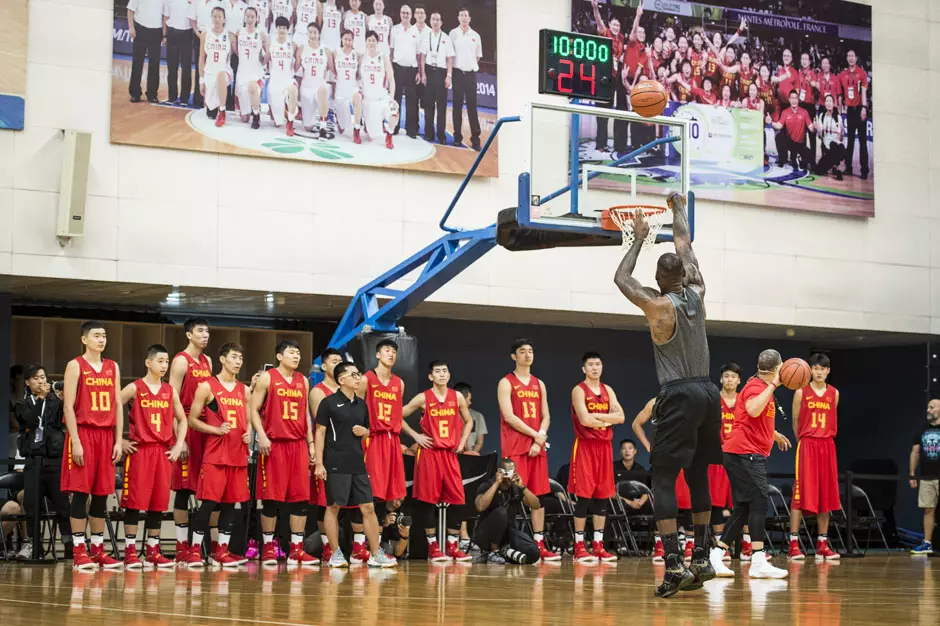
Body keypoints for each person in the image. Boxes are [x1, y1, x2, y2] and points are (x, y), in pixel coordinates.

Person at [613, 193, 717, 598]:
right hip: (709, 392)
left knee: (663, 478)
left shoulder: (658, 306)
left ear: (659, 279)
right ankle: (703, 556)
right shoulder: (698, 289)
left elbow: (623, 281)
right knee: (699, 473)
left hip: (679, 393)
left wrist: (637, 239)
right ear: (684, 276)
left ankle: (674, 563)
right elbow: (685, 247)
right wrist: (678, 212)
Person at [711, 349, 790, 580]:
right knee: (759, 501)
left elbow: (744, 416)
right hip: (745, 454)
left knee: (744, 507)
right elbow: (753, 409)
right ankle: (758, 559)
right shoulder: (758, 387)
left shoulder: (754, 385)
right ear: (778, 368)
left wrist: (772, 433)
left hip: (741, 452)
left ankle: (716, 556)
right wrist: (774, 384)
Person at [315, 362, 397, 568]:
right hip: (335, 462)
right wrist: (319, 463)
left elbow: (368, 430)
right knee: (334, 507)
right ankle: (335, 554)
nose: (358, 377)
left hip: (357, 464)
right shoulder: (328, 403)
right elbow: (320, 432)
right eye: (353, 374)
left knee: (368, 507)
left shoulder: (361, 404)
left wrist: (365, 432)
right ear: (341, 379)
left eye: (358, 373)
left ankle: (376, 553)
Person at [118, 345, 188, 570]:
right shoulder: (135, 387)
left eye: (167, 361)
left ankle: (152, 551)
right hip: (140, 450)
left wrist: (178, 445)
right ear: (148, 363)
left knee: (158, 503)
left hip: (163, 452)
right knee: (135, 502)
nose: (164, 365)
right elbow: (112, 408)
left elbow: (183, 419)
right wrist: (119, 440)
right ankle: (130, 552)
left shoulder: (170, 390)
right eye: (160, 361)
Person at [249, 340, 318, 568]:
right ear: (279, 356)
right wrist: (262, 436)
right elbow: (253, 409)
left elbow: (306, 415)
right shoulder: (268, 377)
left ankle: (296, 549)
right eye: (291, 353)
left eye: (298, 353)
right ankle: (268, 547)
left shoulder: (303, 381)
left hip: (298, 444)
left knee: (300, 499)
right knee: (270, 498)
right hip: (275, 443)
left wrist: (310, 444)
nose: (296, 356)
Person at [61, 321, 124, 571]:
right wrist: (75, 441)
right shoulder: (75, 365)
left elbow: (119, 405)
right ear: (84, 339)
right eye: (96, 335)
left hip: (106, 435)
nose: (101, 339)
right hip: (83, 434)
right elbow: (68, 406)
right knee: (80, 493)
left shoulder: (113, 367)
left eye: (104, 336)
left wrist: (119, 440)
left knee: (101, 494)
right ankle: (79, 551)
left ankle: (98, 550)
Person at [187, 342, 252, 568]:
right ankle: (194, 550)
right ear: (222, 359)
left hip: (238, 455)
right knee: (208, 504)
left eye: (240, 358)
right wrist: (216, 430)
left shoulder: (245, 390)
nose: (238, 362)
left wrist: (249, 434)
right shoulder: (207, 386)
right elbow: (192, 420)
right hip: (215, 455)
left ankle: (221, 552)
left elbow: (249, 421)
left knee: (230, 505)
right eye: (234, 357)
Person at [401, 360, 473, 562]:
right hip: (429, 454)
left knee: (458, 500)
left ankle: (452, 546)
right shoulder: (423, 397)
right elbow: (397, 414)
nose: (442, 374)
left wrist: (463, 441)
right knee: (427, 501)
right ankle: (433, 547)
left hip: (450, 454)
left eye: (445, 371)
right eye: (437, 371)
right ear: (431, 377)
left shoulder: (457, 396)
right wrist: (415, 436)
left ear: (449, 375)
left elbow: (469, 421)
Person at [497, 338, 560, 562]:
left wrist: (539, 439)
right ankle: (505, 543)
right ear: (514, 356)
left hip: (536, 448)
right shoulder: (506, 382)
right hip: (515, 447)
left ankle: (539, 543)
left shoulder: (539, 383)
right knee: (512, 496)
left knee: (538, 497)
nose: (527, 355)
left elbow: (546, 416)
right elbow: (509, 416)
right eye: (522, 351)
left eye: (530, 351)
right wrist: (537, 435)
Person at [354, 339, 413, 562]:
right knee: (370, 493)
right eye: (387, 350)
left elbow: (397, 415)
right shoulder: (367, 379)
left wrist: (411, 437)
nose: (391, 354)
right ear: (378, 355)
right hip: (373, 438)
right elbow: (356, 408)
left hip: (392, 441)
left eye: (394, 351)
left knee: (389, 495)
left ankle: (377, 548)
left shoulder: (399, 383)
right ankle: (364, 546)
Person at [569, 352, 625, 563]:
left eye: (598, 364)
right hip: (585, 446)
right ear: (584, 368)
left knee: (602, 497)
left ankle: (598, 546)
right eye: (591, 364)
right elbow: (584, 420)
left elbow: (621, 417)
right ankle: (579, 547)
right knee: (584, 497)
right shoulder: (578, 390)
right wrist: (607, 419)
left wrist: (599, 418)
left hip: (604, 447)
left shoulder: (607, 390)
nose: (595, 367)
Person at [14, 363, 71, 558]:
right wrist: (39, 399)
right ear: (28, 382)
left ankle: (69, 547)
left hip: (54, 460)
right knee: (31, 506)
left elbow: (66, 418)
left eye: (43, 377)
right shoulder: (22, 404)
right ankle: (34, 547)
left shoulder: (55, 401)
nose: (41, 381)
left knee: (63, 505)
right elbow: (29, 421)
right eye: (37, 378)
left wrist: (62, 399)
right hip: (33, 461)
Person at [788, 353, 841, 562]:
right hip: (808, 444)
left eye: (823, 368)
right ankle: (793, 544)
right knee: (800, 493)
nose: (819, 372)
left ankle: (822, 544)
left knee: (825, 494)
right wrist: (805, 439)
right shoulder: (801, 392)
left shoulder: (834, 394)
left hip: (827, 445)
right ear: (810, 370)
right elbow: (795, 423)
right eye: (816, 368)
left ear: (828, 371)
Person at [168, 317, 212, 566]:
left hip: (204, 427)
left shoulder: (207, 361)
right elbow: (171, 402)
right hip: (185, 427)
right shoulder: (180, 361)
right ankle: (181, 545)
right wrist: (179, 439)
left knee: (207, 488)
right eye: (200, 331)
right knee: (183, 490)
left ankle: (205, 545)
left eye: (207, 331)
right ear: (188, 335)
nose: (205, 335)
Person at [308, 348, 344, 563]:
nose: (338, 364)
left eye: (341, 360)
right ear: (324, 366)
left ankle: (356, 547)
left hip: (347, 451)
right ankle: (327, 547)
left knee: (348, 502)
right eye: (334, 361)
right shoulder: (318, 391)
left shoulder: (349, 391)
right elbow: (321, 424)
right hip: (328, 450)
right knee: (325, 501)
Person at [473, 458, 542, 564]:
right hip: (485, 534)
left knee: (534, 553)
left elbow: (536, 505)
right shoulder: (488, 484)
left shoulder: (515, 488)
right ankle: (493, 552)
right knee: (501, 512)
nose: (511, 475)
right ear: (500, 472)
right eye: (508, 472)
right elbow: (480, 507)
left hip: (506, 534)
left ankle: (505, 553)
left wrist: (522, 487)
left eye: (513, 471)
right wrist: (496, 483)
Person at [711, 363, 740, 557]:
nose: (729, 379)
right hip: (716, 456)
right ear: (721, 379)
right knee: (716, 503)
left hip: (738, 456)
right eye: (726, 376)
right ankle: (720, 546)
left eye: (733, 376)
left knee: (742, 502)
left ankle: (746, 545)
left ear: (739, 380)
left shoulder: (744, 401)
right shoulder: (713, 400)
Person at [589, 0, 625, 154]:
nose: (616, 27)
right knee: (601, 112)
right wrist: (595, 8)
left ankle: (610, 143)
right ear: (610, 25)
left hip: (615, 79)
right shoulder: (605, 32)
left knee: (610, 110)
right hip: (603, 78)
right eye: (614, 25)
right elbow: (598, 21)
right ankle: (600, 144)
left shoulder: (622, 38)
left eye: (618, 25)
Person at [909, 399, 940, 555]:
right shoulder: (922, 428)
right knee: (928, 509)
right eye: (928, 407)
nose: (928, 410)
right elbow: (915, 452)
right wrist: (912, 473)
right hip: (927, 476)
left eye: (932, 407)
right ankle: (927, 543)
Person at [449, 7, 482, 150]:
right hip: (457, 74)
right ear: (458, 18)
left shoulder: (476, 35)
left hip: (470, 75)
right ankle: (457, 137)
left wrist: (469, 66)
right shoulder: (453, 34)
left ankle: (475, 139)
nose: (463, 18)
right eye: (461, 15)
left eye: (466, 16)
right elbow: (449, 54)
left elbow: (478, 56)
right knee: (457, 107)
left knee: (472, 108)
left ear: (469, 19)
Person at [419, 10, 454, 144]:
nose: (435, 22)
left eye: (437, 19)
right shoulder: (425, 37)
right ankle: (429, 133)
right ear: (430, 21)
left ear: (441, 22)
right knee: (428, 105)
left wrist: (448, 76)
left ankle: (441, 135)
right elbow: (422, 56)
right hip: (428, 71)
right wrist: (423, 73)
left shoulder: (446, 38)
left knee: (441, 106)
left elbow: (450, 59)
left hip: (441, 73)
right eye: (433, 19)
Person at [360, 30, 398, 150]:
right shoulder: (361, 57)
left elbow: (391, 79)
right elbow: (356, 77)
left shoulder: (383, 57)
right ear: (366, 42)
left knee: (394, 112)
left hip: (382, 98)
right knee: (371, 137)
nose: (371, 43)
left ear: (377, 42)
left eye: (374, 40)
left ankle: (390, 134)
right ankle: (367, 123)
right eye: (369, 40)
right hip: (368, 100)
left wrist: (391, 97)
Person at [298, 22, 335, 138]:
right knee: (308, 128)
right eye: (310, 32)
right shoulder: (302, 49)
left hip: (319, 87)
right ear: (307, 34)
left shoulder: (326, 50)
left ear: (319, 34)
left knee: (324, 88)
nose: (312, 35)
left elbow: (332, 69)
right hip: (306, 87)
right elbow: (297, 71)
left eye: (315, 33)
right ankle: (308, 118)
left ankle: (323, 126)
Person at [199, 6, 235, 127]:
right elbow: (201, 58)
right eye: (215, 16)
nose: (217, 19)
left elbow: (240, 52)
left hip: (225, 72)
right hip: (209, 73)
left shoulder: (230, 36)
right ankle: (216, 109)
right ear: (211, 18)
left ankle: (223, 111)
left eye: (220, 17)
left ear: (224, 19)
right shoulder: (205, 34)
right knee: (210, 114)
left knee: (221, 75)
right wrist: (201, 81)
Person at [235, 6, 268, 129]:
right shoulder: (239, 32)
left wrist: (263, 60)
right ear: (244, 17)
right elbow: (235, 50)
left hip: (255, 73)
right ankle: (253, 109)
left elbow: (266, 57)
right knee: (244, 119)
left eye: (252, 17)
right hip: (242, 73)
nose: (249, 19)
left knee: (253, 86)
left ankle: (256, 115)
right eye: (247, 16)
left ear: (257, 18)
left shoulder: (261, 34)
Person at [390, 4, 419, 138]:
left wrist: (419, 71)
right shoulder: (394, 30)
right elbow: (391, 51)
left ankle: (411, 129)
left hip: (412, 70)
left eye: (407, 13)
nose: (405, 15)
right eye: (403, 13)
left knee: (411, 100)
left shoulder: (416, 31)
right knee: (395, 100)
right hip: (397, 68)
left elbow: (419, 54)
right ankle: (394, 127)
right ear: (400, 14)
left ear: (411, 15)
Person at [267, 16, 300, 136]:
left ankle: (290, 122)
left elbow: (296, 65)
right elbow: (266, 61)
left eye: (284, 28)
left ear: (288, 29)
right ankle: (276, 108)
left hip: (288, 80)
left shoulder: (292, 45)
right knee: (277, 123)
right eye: (280, 27)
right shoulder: (271, 43)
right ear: (276, 28)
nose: (282, 30)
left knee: (293, 90)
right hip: (275, 81)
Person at [839, 49, 869, 179]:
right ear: (846, 58)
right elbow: (840, 94)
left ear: (856, 58)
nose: (851, 58)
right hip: (850, 111)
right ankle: (849, 168)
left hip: (859, 110)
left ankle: (864, 170)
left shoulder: (862, 73)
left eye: (853, 56)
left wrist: (864, 108)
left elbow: (863, 93)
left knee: (862, 141)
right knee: (849, 141)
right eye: (848, 55)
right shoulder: (843, 75)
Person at [127, 0, 164, 103]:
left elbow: (165, 15)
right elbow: (130, 9)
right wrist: (131, 27)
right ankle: (135, 93)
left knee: (154, 63)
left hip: (156, 31)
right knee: (137, 62)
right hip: (140, 28)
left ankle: (152, 94)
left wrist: (164, 33)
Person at [190, 0, 224, 109]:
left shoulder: (217, 3)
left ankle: (217, 100)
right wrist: (198, 34)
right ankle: (198, 98)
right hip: (199, 35)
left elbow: (220, 20)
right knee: (200, 64)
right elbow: (193, 20)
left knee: (212, 67)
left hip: (213, 37)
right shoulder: (197, 2)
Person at [332, 29, 364, 142]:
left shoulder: (357, 55)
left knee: (357, 99)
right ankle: (339, 118)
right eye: (345, 39)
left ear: (353, 41)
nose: (347, 42)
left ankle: (357, 129)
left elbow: (359, 74)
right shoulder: (336, 52)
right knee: (342, 129)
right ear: (341, 39)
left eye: (350, 40)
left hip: (352, 87)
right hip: (340, 90)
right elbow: (332, 70)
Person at [164, 0, 195, 106]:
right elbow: (165, 16)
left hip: (187, 34)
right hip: (172, 33)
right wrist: (164, 35)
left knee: (186, 67)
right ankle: (172, 96)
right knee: (172, 67)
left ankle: (184, 98)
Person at [772, 90, 812, 171]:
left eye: (795, 98)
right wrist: (771, 122)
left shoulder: (804, 112)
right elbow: (779, 126)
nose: (794, 100)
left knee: (808, 158)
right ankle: (782, 160)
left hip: (800, 144)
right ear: (789, 100)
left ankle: (797, 159)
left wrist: (816, 127)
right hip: (790, 142)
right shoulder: (785, 112)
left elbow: (811, 127)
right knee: (779, 137)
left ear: (798, 100)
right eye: (792, 98)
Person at [455, 382, 486, 454]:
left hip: (471, 455)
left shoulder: (478, 416)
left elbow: (480, 441)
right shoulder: (448, 414)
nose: (470, 403)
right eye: (469, 399)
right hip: (453, 455)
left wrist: (472, 453)